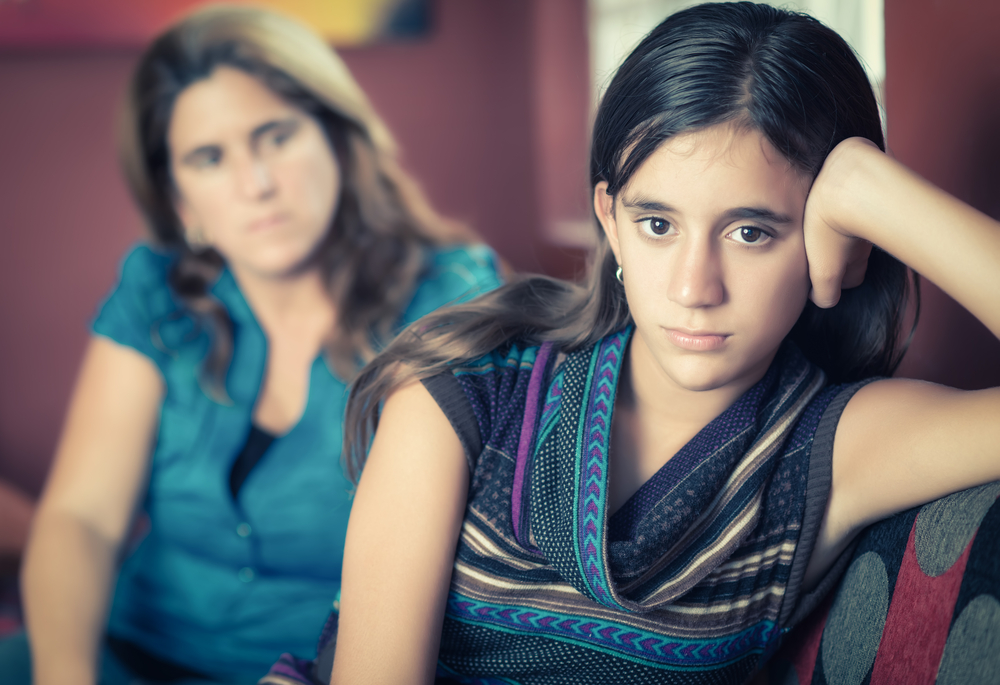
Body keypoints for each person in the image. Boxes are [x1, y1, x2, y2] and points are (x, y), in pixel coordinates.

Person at [259, 3, 1000, 684]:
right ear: (609, 221)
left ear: (826, 242)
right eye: (657, 224)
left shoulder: (831, 448)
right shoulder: (466, 392)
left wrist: (870, 190)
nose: (693, 285)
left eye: (751, 232)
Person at [2, 5, 503, 684]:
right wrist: (65, 672)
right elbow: (83, 517)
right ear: (181, 199)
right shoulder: (157, 292)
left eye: (275, 136)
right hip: (122, 649)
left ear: (335, 137)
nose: (256, 183)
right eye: (209, 158)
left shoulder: (448, 302)